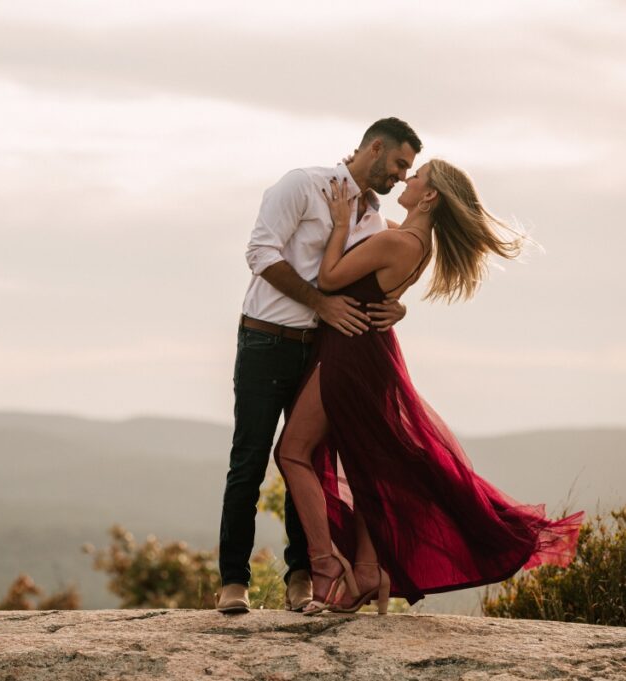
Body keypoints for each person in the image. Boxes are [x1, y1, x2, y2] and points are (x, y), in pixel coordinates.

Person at [273, 158, 585, 615]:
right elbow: (384, 294)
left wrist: (340, 224)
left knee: (292, 452)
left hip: (351, 351)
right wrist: (398, 308)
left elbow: (329, 279)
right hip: (371, 351)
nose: (406, 178)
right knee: (364, 463)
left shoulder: (399, 241)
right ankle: (366, 569)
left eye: (414, 176)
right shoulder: (417, 243)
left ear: (430, 195)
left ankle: (324, 566)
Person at [216, 118, 424, 613]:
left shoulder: (374, 220)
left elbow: (396, 264)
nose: (399, 177)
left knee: (308, 462)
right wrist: (320, 302)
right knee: (249, 459)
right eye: (398, 164)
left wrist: (401, 305)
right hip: (267, 340)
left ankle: (301, 578)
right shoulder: (302, 184)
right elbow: (259, 252)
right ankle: (232, 582)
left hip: (325, 352)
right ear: (375, 148)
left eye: (407, 171)